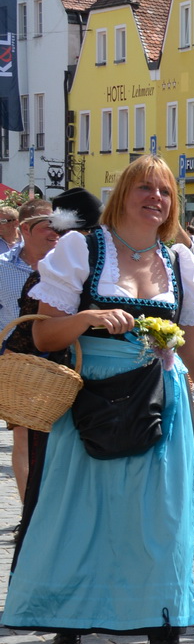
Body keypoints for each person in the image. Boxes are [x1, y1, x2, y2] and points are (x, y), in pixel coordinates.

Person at [3, 159, 194, 644]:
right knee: (81, 521)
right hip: (91, 406)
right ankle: (67, 639)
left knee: (163, 529)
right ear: (122, 195)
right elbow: (44, 332)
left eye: (163, 189)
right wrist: (88, 319)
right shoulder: (84, 249)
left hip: (161, 405)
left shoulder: (180, 261)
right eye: (143, 188)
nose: (154, 196)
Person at [4, 202, 70, 498]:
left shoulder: (71, 266)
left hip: (62, 361)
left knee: (61, 437)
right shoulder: (3, 266)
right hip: (17, 363)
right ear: (25, 229)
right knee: (24, 436)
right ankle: (29, 508)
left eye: (58, 225)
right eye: (47, 224)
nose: (55, 231)